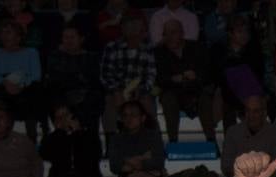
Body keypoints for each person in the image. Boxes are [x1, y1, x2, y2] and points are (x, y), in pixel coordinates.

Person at [155, 18, 218, 144]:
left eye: (173, 32)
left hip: (196, 89)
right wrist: (173, 79)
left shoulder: (197, 48)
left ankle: (211, 141)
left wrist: (196, 75)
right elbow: (158, 78)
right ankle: (173, 141)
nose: (169, 37)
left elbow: (209, 72)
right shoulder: (159, 52)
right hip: (173, 90)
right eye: (166, 34)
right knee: (168, 99)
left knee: (205, 99)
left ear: (182, 33)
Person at [100, 14, 155, 142]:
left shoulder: (148, 48)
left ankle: (152, 141)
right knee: (109, 103)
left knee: (147, 101)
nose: (140, 32)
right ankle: (111, 144)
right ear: (125, 30)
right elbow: (105, 75)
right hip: (116, 90)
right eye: (136, 29)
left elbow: (150, 75)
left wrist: (140, 90)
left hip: (139, 90)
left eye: (141, 29)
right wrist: (116, 90)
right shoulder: (112, 47)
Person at [0, 19, 42, 140]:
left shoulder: (31, 52)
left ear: (19, 37)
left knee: (34, 93)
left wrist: (21, 85)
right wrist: (5, 83)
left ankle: (31, 139)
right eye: (2, 32)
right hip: (2, 86)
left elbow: (36, 75)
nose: (4, 36)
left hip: (24, 88)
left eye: (8, 32)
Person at [43, 24, 103, 133]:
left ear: (81, 39)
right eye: (65, 37)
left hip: (85, 95)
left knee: (94, 98)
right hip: (60, 95)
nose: (68, 40)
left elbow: (92, 79)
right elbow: (54, 78)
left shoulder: (91, 57)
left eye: (72, 37)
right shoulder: (55, 56)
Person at [213, 14, 265, 131]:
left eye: (246, 31)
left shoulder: (254, 50)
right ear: (230, 33)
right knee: (227, 104)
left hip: (249, 93)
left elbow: (258, 75)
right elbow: (217, 75)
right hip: (228, 93)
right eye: (240, 31)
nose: (244, 35)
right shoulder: (219, 50)